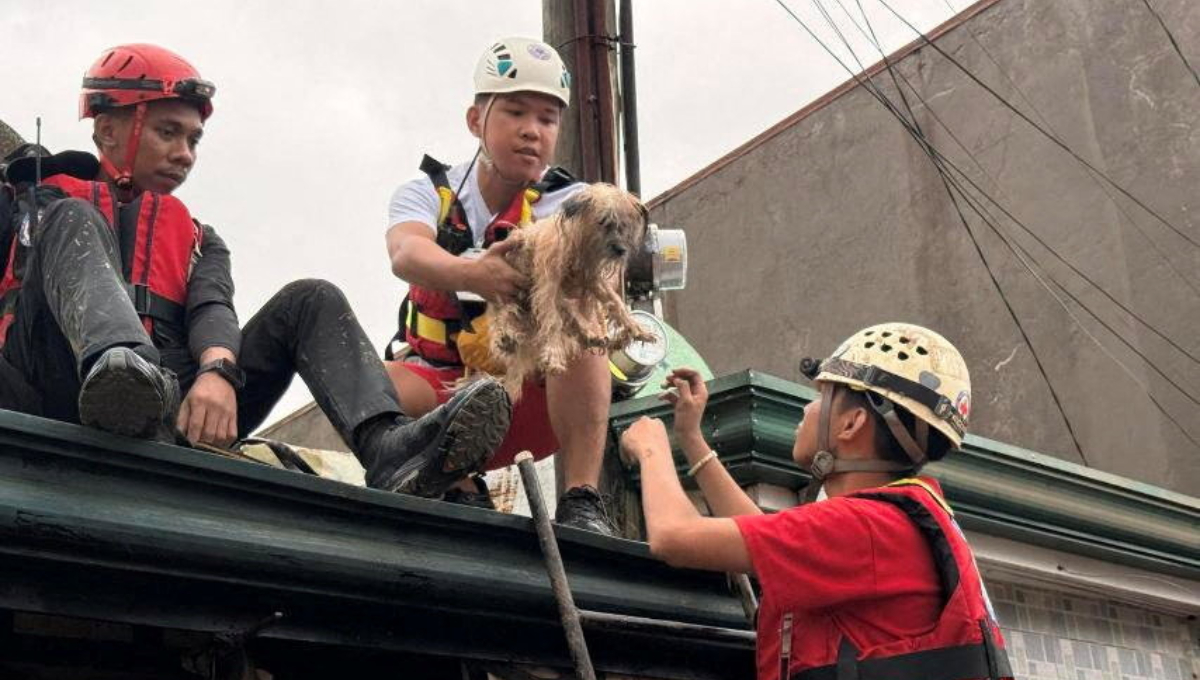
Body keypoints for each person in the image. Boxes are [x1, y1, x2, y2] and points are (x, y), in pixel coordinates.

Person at [0, 43, 512, 500]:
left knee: (311, 297)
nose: (184, 154)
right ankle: (118, 369)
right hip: (53, 390)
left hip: (175, 407)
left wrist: (218, 372)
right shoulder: (40, 203)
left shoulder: (200, 239)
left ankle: (390, 447)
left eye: (194, 140)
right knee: (72, 218)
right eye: (168, 133)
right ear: (107, 129)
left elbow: (212, 307)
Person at [619, 323, 1013, 680]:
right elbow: (761, 539)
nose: (807, 409)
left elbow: (673, 537)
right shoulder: (896, 520)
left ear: (851, 424)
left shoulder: (866, 526)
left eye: (821, 396)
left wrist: (652, 448)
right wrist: (692, 438)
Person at [385, 37, 616, 534]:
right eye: (515, 113)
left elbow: (598, 264)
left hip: (526, 397)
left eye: (547, 119)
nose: (532, 131)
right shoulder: (427, 191)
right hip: (438, 392)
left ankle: (581, 499)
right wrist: (475, 274)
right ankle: (455, 483)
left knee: (580, 308)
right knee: (367, 383)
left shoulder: (572, 202)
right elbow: (406, 253)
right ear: (476, 121)